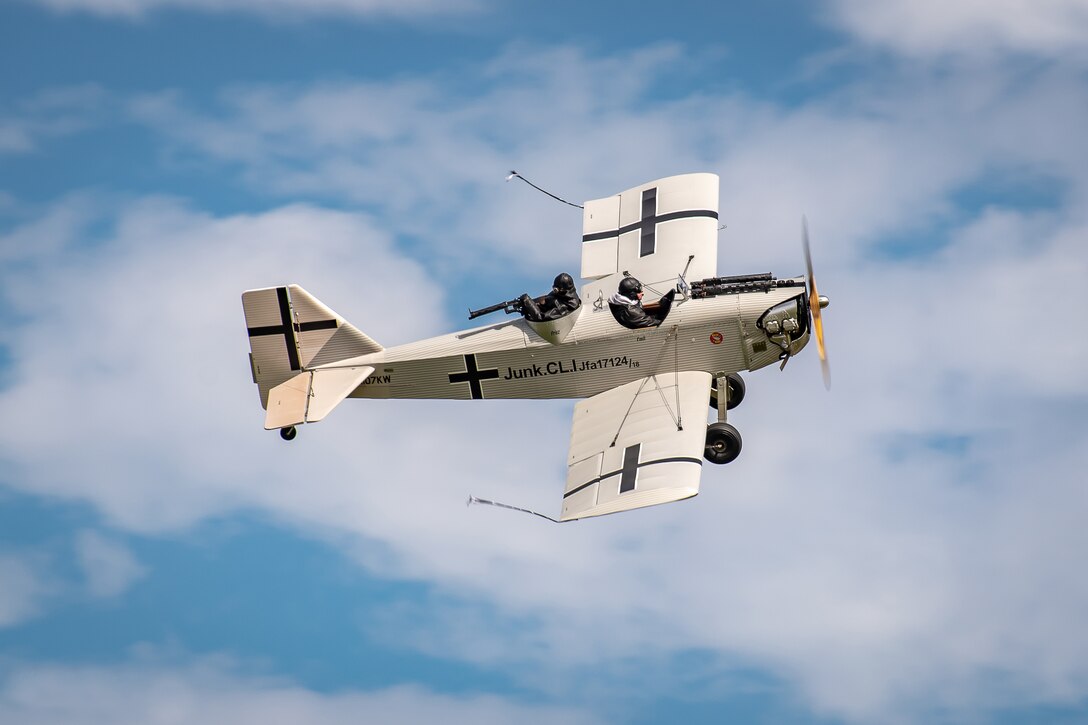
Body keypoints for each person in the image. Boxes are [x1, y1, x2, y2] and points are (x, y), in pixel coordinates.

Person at [608, 276, 675, 329]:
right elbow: (649, 322)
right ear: (632, 294)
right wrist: (662, 319)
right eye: (639, 292)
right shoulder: (631, 311)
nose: (642, 293)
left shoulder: (627, 302)